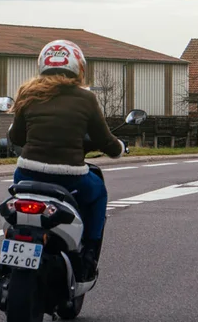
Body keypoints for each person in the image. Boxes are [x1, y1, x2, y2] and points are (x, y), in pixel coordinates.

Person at [8, 39, 125, 283]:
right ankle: (90, 253)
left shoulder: (27, 92)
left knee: (16, 201)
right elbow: (105, 140)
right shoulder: (86, 99)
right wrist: (119, 148)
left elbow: (16, 137)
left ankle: (11, 251)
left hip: (27, 173)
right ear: (79, 67)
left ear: (42, 64)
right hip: (70, 177)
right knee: (98, 193)